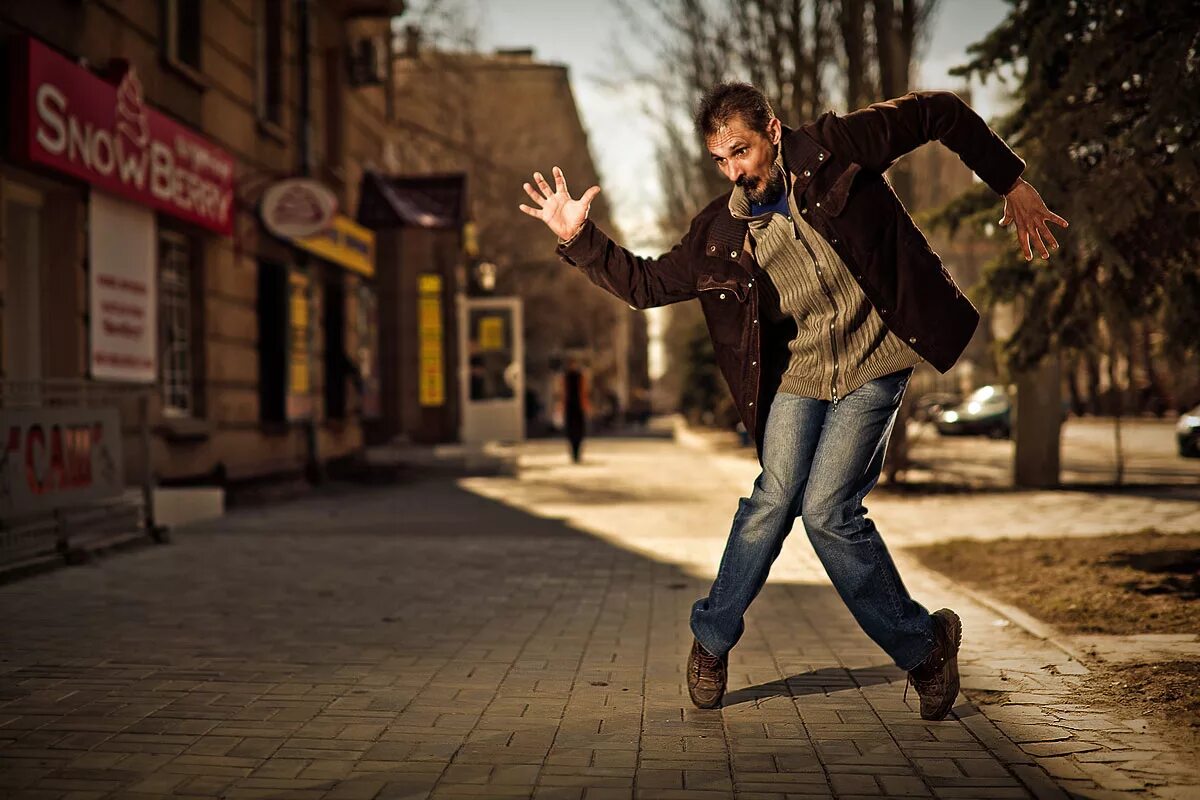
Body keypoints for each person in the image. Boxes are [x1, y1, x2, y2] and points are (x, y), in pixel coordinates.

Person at [518, 84, 1067, 718]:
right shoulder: (721, 231)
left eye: (742, 152)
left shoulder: (839, 148)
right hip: (803, 375)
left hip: (875, 358)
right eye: (720, 160)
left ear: (773, 132)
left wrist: (1011, 182)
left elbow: (936, 112)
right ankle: (712, 638)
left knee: (829, 512)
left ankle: (922, 653)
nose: (734, 171)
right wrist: (580, 239)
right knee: (774, 496)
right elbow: (645, 284)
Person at [557, 356, 590, 462]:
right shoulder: (565, 377)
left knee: (579, 432)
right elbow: (562, 393)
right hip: (569, 407)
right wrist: (561, 406)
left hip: (578, 407)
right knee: (571, 432)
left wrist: (586, 406)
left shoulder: (580, 376)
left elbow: (584, 392)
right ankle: (573, 454)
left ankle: (577, 454)